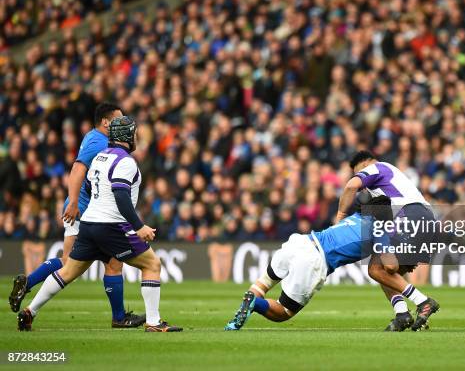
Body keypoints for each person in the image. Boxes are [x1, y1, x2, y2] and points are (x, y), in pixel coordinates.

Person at [17, 116, 181, 332]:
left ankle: (30, 312)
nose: (136, 137)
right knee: (152, 265)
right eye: (133, 133)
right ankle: (153, 322)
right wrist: (138, 226)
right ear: (126, 136)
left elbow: (87, 188)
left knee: (68, 272)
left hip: (89, 223)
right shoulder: (125, 161)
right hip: (111, 225)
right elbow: (121, 196)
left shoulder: (100, 157)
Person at [8, 103, 145, 328]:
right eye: (118, 120)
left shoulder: (97, 139)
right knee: (76, 265)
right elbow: (78, 169)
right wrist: (73, 202)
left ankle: (28, 290)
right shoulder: (97, 141)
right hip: (84, 210)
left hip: (91, 211)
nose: (122, 124)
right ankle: (119, 317)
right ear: (106, 122)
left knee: (88, 263)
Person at [224, 194, 433, 332]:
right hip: (314, 260)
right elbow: (389, 268)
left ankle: (245, 306)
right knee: (283, 312)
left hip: (299, 242)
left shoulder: (356, 216)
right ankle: (254, 303)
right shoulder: (380, 228)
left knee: (265, 282)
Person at [335, 150, 439, 331]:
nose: (362, 186)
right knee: (386, 268)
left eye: (359, 171)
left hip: (410, 215)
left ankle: (423, 301)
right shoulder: (385, 188)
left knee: (376, 268)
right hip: (422, 218)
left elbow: (351, 186)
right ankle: (402, 314)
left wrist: (341, 215)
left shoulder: (377, 167)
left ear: (366, 164)